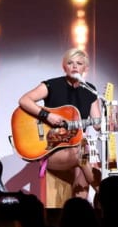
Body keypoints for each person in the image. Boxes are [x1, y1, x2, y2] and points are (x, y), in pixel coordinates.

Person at [17, 47, 102, 206]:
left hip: (77, 148)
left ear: (85, 68)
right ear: (64, 67)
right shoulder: (52, 85)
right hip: (51, 150)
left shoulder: (90, 91)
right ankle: (106, 198)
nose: (74, 66)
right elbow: (24, 100)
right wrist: (47, 115)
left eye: (79, 63)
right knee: (84, 154)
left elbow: (98, 125)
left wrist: (111, 120)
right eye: (70, 63)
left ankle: (77, 212)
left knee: (87, 157)